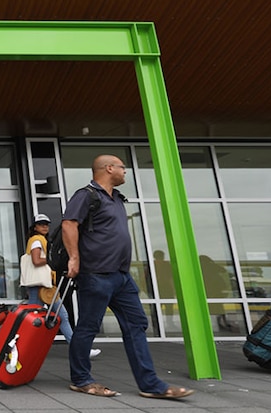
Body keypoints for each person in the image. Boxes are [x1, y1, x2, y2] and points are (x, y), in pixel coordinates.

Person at [63, 154, 193, 399]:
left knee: (136, 325)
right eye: (123, 167)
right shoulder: (86, 195)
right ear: (109, 168)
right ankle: (80, 379)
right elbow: (70, 224)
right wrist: (74, 258)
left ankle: (150, 384)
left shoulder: (117, 199)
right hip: (96, 275)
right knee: (88, 328)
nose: (125, 172)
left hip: (121, 277)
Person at [20, 214, 100, 358]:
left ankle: (22, 348)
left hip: (41, 285)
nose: (45, 226)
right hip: (43, 286)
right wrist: (53, 260)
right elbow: (36, 261)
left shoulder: (40, 240)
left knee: (34, 318)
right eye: (41, 224)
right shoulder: (37, 240)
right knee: (56, 316)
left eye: (46, 224)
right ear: (35, 227)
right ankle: (81, 351)